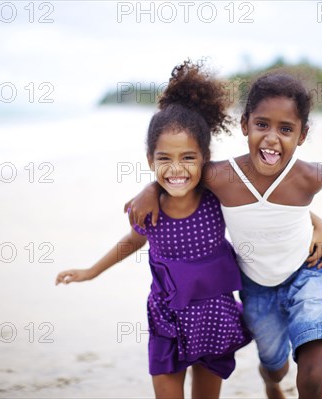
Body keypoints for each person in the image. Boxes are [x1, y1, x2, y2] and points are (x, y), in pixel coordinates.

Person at [126, 70, 322, 398]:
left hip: (307, 273)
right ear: (245, 124)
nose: (272, 138)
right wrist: (149, 190)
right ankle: (272, 382)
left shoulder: (310, 177)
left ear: (302, 135)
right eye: (262, 124)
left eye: (286, 129)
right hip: (257, 289)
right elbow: (179, 173)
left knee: (313, 373)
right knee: (276, 367)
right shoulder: (221, 177)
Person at [55, 60, 254, 399]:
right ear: (150, 160)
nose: (176, 168)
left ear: (205, 158)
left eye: (188, 158)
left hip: (214, 316)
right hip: (167, 320)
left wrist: (316, 228)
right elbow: (131, 241)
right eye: (165, 159)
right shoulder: (150, 210)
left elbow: (266, 209)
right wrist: (91, 271)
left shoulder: (216, 197)